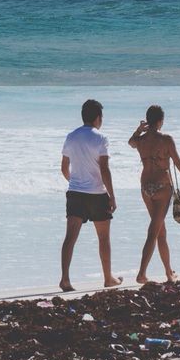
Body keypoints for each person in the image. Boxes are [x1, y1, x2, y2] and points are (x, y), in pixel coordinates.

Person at [128, 104, 180, 284]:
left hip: (146, 188)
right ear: (160, 121)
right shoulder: (166, 140)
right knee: (154, 230)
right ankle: (141, 273)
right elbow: (179, 164)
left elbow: (131, 142)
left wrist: (138, 131)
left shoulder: (141, 140)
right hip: (161, 188)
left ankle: (168, 272)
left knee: (160, 230)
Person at [59, 99, 123, 291]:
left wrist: (75, 182)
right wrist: (112, 195)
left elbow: (64, 167)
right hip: (96, 194)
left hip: (75, 193)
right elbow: (104, 168)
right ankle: (108, 278)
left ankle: (65, 279)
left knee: (70, 237)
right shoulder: (101, 138)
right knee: (103, 238)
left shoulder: (71, 136)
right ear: (98, 118)